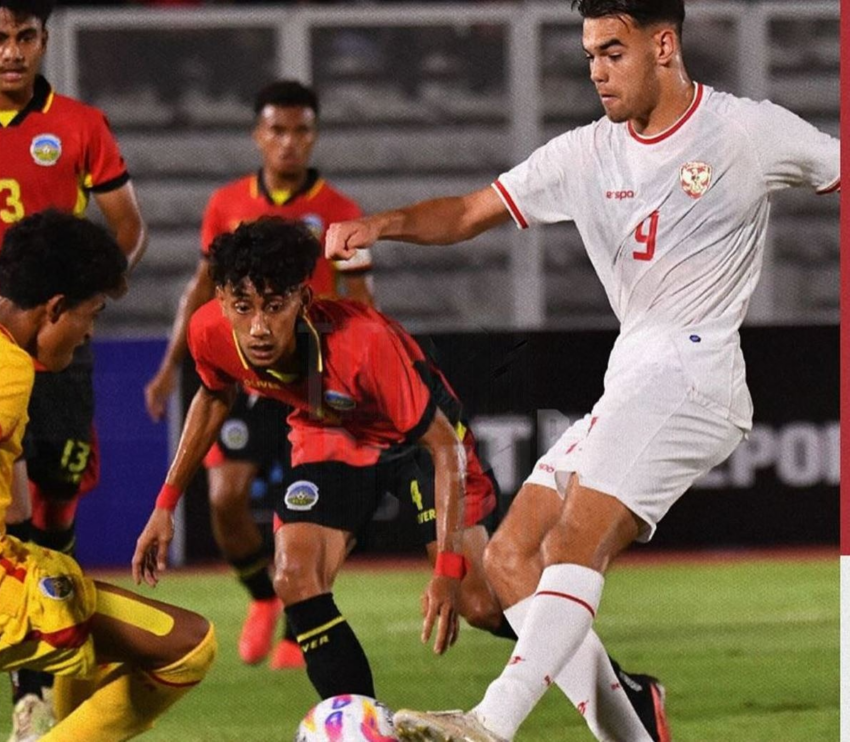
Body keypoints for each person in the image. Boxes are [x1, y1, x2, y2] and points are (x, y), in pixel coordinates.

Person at [325, 0, 840, 739]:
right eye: (590, 54)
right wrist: (383, 224)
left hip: (695, 371)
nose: (596, 71)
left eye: (612, 51)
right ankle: (632, 726)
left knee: (572, 540)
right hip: (631, 377)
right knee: (508, 558)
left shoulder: (746, 131)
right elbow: (472, 211)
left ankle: (489, 725)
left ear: (663, 44)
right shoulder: (585, 155)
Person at [132, 216, 511, 704]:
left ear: (302, 300)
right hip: (328, 427)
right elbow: (212, 397)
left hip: (416, 438)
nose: (259, 327)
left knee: (476, 603)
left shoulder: (363, 344)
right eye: (243, 307)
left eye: (274, 306)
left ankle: (604, 674)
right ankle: (358, 731)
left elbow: (443, 447)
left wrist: (445, 571)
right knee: (294, 577)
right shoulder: (210, 331)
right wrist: (166, 503)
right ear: (221, 300)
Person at [143, 79, 373, 670]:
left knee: (312, 507)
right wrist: (171, 366)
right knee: (224, 497)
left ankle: (303, 621)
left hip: (316, 382)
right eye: (277, 130)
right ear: (258, 135)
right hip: (251, 379)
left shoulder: (342, 213)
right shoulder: (227, 205)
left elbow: (362, 300)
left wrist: (358, 375)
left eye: (300, 131)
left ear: (314, 136)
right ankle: (263, 599)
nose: (289, 142)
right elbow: (200, 291)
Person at [0, 209, 216, 742]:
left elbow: (19, 509)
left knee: (91, 645)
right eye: (91, 313)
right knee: (188, 645)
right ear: (54, 308)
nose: (90, 330)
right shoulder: (9, 368)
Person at [0, 0, 148, 733]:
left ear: (44, 41)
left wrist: (85, 299)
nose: (12, 53)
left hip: (54, 357)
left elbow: (127, 229)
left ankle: (33, 685)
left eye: (26, 38)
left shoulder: (82, 125)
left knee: (50, 509)